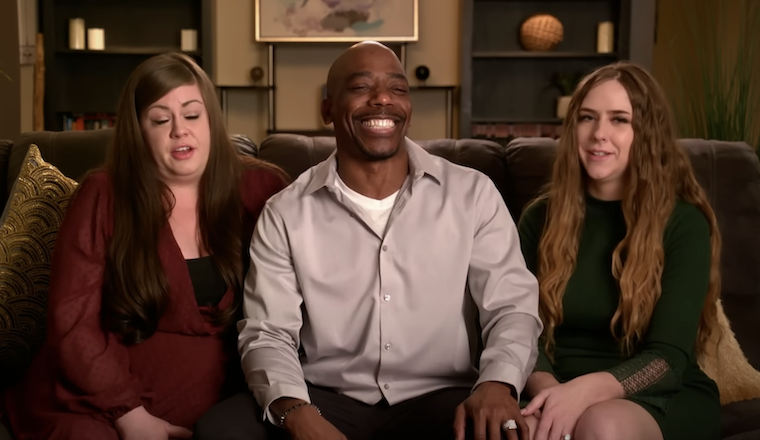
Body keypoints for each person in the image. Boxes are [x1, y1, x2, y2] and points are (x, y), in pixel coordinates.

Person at [192, 41, 543, 440]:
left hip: (443, 397)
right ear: (328, 110)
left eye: (397, 88)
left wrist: (497, 384)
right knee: (220, 431)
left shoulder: (472, 195)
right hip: (325, 396)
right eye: (361, 87)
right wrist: (298, 413)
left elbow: (511, 308)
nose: (382, 99)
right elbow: (268, 332)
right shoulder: (285, 212)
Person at [4, 52, 288, 440]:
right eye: (160, 119)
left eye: (192, 115)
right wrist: (130, 416)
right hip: (97, 397)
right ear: (138, 130)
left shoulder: (263, 189)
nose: (179, 131)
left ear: (211, 119)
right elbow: (73, 321)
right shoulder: (104, 195)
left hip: (221, 402)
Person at [517, 61, 723, 440]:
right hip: (554, 385)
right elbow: (519, 329)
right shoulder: (538, 218)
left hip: (655, 394)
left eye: (619, 120)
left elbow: (666, 359)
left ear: (646, 133)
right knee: (519, 431)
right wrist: (553, 396)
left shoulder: (684, 223)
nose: (599, 133)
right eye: (588, 118)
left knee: (602, 425)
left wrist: (581, 396)